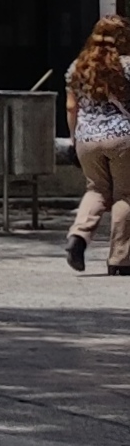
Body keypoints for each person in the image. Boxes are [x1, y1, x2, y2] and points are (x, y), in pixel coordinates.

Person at [67, 16, 130, 274]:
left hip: (87, 139)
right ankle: (120, 259)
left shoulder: (77, 68)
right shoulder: (127, 66)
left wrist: (74, 139)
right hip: (123, 138)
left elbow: (71, 106)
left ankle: (78, 236)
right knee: (126, 195)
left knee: (96, 191)